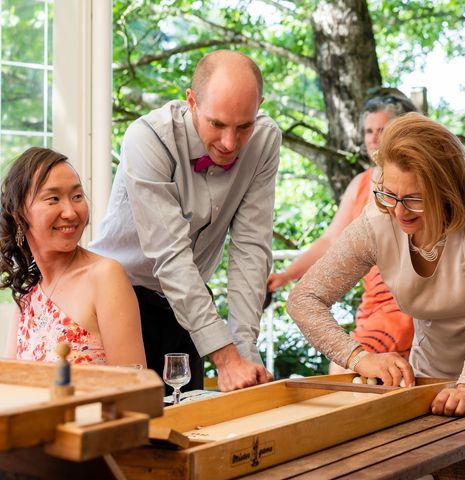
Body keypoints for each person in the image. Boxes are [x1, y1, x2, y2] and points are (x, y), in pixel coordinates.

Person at [287, 113, 465, 479]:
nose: (398, 212)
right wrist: (359, 357)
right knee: (427, 459)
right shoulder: (377, 219)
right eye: (389, 194)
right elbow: (305, 299)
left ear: (446, 189)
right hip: (437, 342)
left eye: (414, 199)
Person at [90, 50, 281, 392]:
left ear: (259, 106)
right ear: (191, 101)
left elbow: (250, 249)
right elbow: (171, 255)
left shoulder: (265, 141)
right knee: (129, 426)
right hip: (120, 301)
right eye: (217, 124)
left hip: (189, 308)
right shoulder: (148, 138)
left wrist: (244, 352)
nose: (230, 143)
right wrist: (225, 358)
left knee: (188, 420)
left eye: (244, 127)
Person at [268, 91, 416, 363]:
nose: (373, 138)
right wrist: (286, 276)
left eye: (382, 130)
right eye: (369, 130)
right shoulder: (360, 184)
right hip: (372, 304)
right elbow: (330, 240)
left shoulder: (420, 180)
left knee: (348, 372)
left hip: (407, 303)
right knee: (355, 373)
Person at [0, 147, 146, 366]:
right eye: (53, 199)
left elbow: (135, 389)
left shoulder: (105, 276)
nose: (70, 212)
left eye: (77, 196)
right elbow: (10, 382)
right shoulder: (27, 293)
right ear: (19, 214)